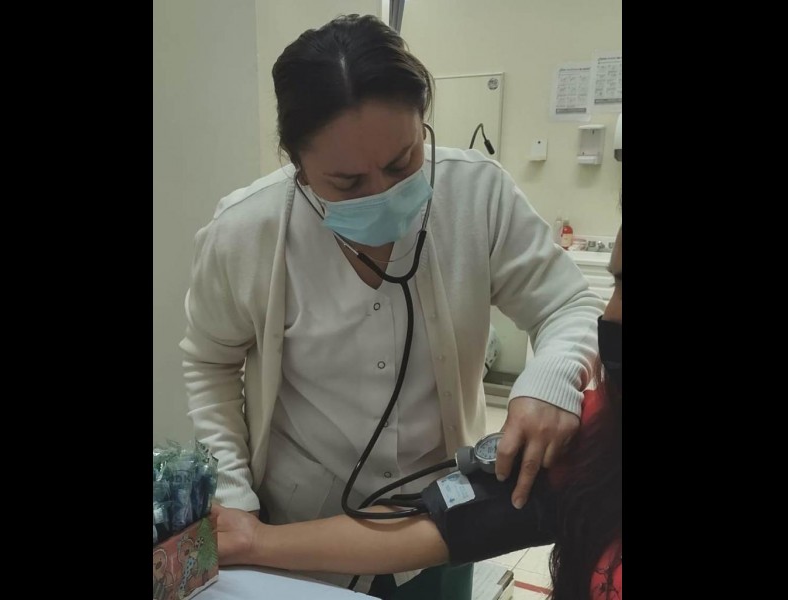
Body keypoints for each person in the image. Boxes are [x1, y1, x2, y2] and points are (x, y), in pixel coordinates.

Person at [181, 13, 604, 597]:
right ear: (296, 164)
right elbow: (209, 362)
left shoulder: (478, 194)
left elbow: (569, 304)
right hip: (295, 534)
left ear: (423, 121)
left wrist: (552, 378)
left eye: (403, 162)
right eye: (347, 183)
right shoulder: (245, 232)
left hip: (438, 527)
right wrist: (233, 494)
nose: (383, 194)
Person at [210, 223, 622, 600]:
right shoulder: (598, 435)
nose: (611, 313)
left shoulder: (479, 198)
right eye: (616, 283)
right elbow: (444, 522)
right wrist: (256, 541)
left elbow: (567, 303)